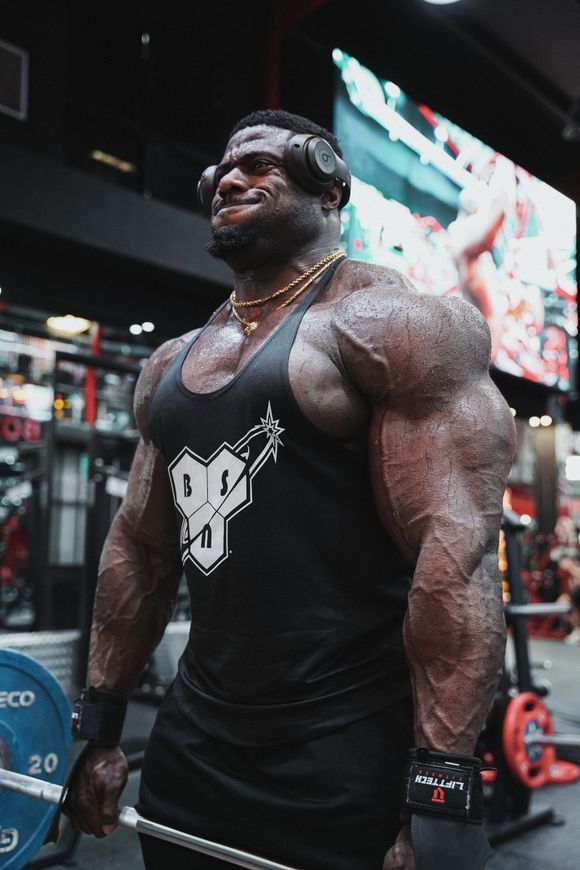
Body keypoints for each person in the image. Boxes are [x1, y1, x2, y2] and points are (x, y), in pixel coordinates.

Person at [64, 109, 516, 870]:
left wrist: (442, 785)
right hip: (195, 745)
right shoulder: (171, 362)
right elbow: (140, 553)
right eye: (224, 168)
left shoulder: (398, 328)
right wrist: (99, 726)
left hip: (344, 752)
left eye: (261, 166)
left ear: (328, 189)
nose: (230, 177)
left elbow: (456, 560)